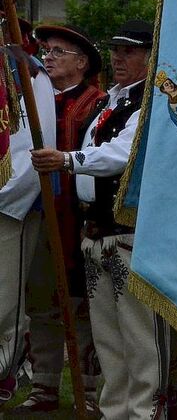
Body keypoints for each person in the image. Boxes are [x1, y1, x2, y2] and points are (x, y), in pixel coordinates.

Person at [31, 19, 171, 419]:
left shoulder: (156, 99)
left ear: (150, 56)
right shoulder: (113, 100)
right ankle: (115, 411)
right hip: (97, 232)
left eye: (130, 51)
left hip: (133, 233)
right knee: (109, 339)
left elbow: (126, 152)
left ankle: (146, 411)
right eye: (116, 49)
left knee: (141, 336)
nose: (119, 57)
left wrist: (68, 160)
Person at [10, 24, 104, 415]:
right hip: (39, 215)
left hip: (80, 219)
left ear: (81, 63)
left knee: (85, 306)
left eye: (58, 52)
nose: (47, 57)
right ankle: (45, 385)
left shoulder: (99, 104)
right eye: (46, 50)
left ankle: (92, 389)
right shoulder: (33, 100)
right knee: (42, 303)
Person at [0, 31, 56, 407]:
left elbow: (35, 147)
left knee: (4, 302)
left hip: (8, 207)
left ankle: (3, 374)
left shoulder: (27, 71)